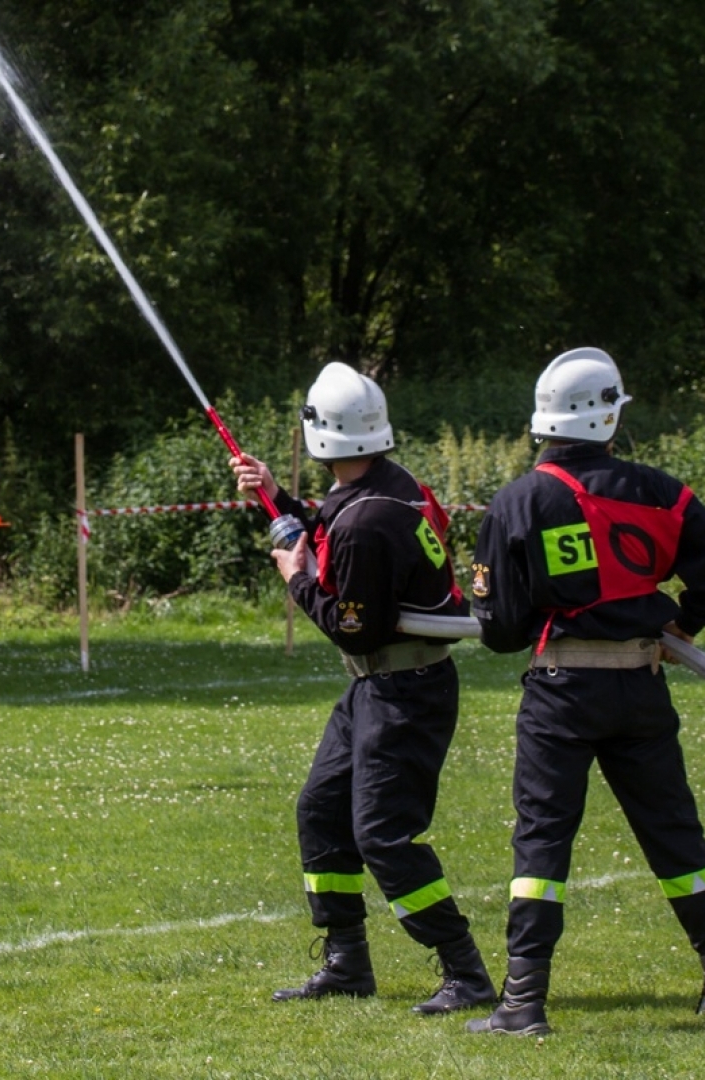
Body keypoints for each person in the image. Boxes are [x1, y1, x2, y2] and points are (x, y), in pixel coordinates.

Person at [464, 347, 705, 1036]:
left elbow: (500, 629)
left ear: (543, 420)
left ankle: (524, 1002)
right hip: (641, 685)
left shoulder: (521, 500)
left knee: (543, 842)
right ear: (611, 418)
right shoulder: (661, 492)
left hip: (561, 691)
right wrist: (683, 623)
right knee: (676, 836)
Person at [230, 361, 495, 1015]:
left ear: (320, 433)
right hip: (379, 686)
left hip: (403, 688)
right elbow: (330, 526)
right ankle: (346, 962)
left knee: (383, 833)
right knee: (321, 810)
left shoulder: (365, 520)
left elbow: (353, 628)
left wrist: (295, 578)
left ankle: (465, 971)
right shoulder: (385, 488)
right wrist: (276, 496)